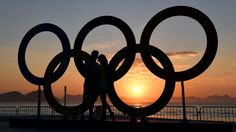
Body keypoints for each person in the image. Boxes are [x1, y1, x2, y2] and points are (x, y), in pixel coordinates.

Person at [81, 50, 99, 120]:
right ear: (92, 55)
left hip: (94, 85)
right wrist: (93, 76)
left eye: (97, 56)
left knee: (92, 101)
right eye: (96, 55)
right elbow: (87, 73)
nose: (96, 57)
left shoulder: (97, 64)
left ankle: (90, 115)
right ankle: (82, 115)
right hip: (88, 84)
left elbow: (97, 74)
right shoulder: (87, 63)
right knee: (85, 100)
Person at [97, 54, 114, 120]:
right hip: (104, 85)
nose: (98, 59)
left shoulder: (102, 66)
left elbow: (99, 76)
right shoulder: (106, 66)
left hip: (102, 85)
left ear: (101, 59)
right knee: (104, 101)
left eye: (99, 58)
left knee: (103, 102)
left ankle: (106, 115)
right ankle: (108, 114)